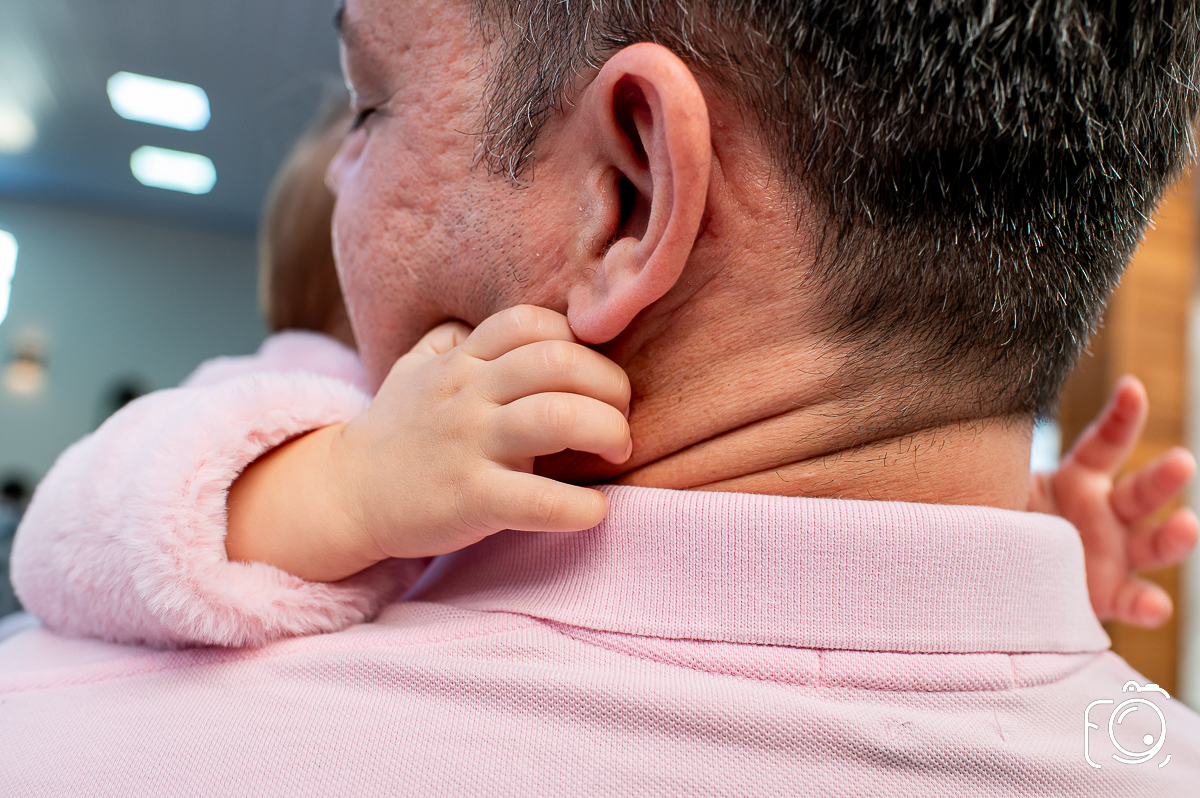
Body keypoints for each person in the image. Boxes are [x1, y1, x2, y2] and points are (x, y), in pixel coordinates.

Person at [3, 0, 1200, 794]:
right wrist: (991, 564)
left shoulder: (52, 742)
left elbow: (80, 528)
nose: (339, 187)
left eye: (371, 103)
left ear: (625, 197)